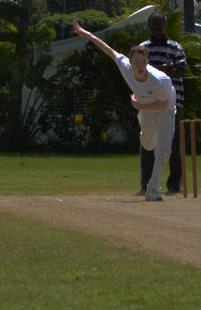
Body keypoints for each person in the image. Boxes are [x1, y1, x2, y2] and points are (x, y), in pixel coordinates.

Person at [72, 21, 177, 201]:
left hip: (164, 110)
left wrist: (139, 106)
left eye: (143, 62)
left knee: (164, 150)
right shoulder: (125, 66)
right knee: (148, 144)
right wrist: (87, 34)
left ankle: (153, 188)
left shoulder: (160, 80)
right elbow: (108, 49)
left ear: (147, 62)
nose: (140, 65)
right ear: (130, 62)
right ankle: (147, 137)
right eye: (136, 62)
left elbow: (163, 104)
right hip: (146, 113)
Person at [136, 11, 188, 197]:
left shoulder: (175, 47)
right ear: (149, 26)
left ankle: (174, 184)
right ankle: (146, 183)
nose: (157, 27)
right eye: (154, 24)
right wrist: (165, 68)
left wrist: (155, 70)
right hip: (148, 102)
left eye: (160, 24)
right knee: (148, 142)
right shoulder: (143, 48)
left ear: (164, 25)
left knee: (173, 143)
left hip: (173, 102)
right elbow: (139, 71)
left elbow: (180, 70)